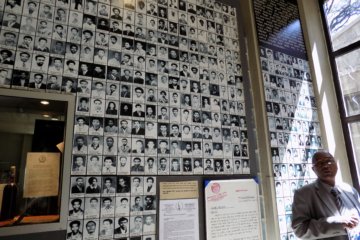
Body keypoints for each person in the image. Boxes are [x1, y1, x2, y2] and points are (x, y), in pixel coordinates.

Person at [292, 151, 360, 240]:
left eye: (329, 160)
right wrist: (338, 222)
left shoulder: (350, 190)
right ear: (313, 169)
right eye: (320, 163)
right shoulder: (303, 194)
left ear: (336, 164)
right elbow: (300, 229)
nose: (325, 165)